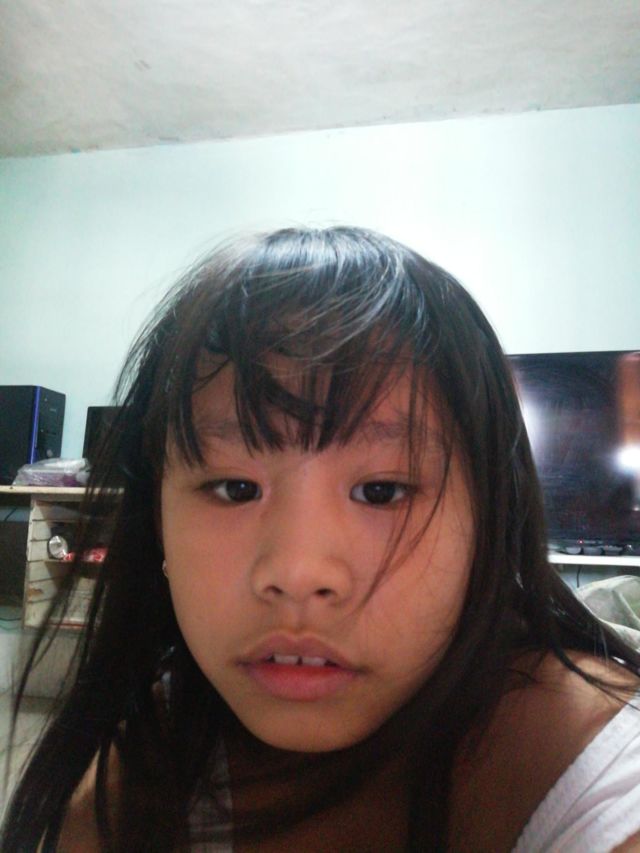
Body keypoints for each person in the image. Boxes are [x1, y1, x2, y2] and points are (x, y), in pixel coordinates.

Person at [3, 226, 640, 852]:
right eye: (235, 488)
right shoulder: (130, 783)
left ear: (489, 520)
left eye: (382, 491)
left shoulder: (601, 778)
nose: (297, 573)